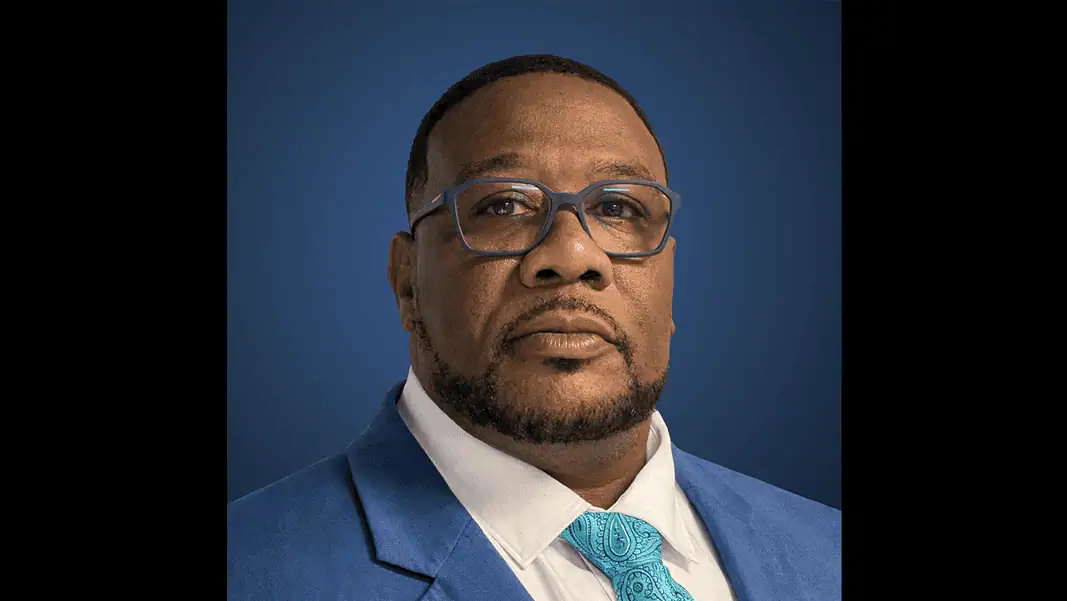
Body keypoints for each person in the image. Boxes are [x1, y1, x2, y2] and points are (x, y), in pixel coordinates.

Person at [227, 54, 840, 601]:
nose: (573, 255)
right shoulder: (250, 572)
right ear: (407, 281)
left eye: (618, 208)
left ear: (668, 278)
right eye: (503, 206)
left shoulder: (826, 553)